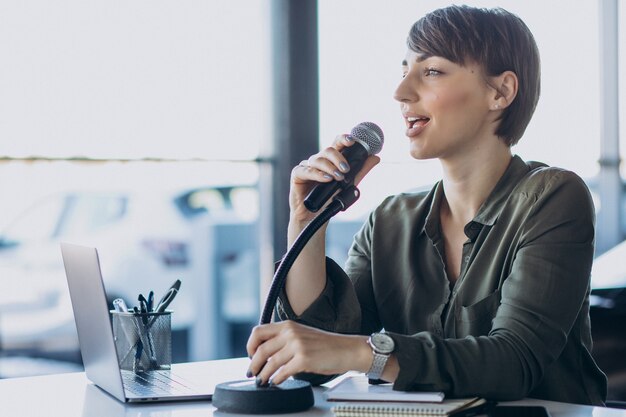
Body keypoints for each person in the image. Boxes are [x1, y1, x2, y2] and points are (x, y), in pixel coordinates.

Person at [246, 5, 607, 406]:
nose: (401, 93)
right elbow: (314, 362)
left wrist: (364, 352)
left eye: (431, 71)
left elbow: (515, 361)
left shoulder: (553, 197)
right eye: (404, 72)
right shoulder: (389, 220)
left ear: (500, 91)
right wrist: (306, 225)